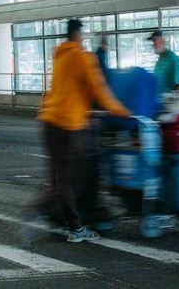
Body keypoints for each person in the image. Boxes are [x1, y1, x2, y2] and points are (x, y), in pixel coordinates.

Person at [36, 19, 131, 243]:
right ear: (79, 35)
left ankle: (58, 216)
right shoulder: (82, 57)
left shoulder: (60, 55)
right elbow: (99, 90)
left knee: (58, 179)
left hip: (48, 121)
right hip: (68, 125)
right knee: (67, 179)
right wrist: (122, 111)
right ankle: (74, 227)